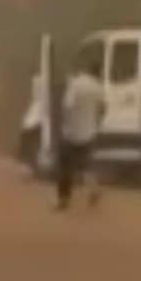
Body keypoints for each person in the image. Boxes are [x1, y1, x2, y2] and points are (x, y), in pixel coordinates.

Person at [54, 57, 105, 211]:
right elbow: (103, 108)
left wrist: (64, 124)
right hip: (88, 133)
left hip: (70, 133)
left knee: (65, 168)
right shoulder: (98, 87)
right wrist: (96, 122)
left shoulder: (75, 84)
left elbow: (66, 106)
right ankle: (94, 189)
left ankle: (63, 200)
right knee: (87, 166)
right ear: (98, 73)